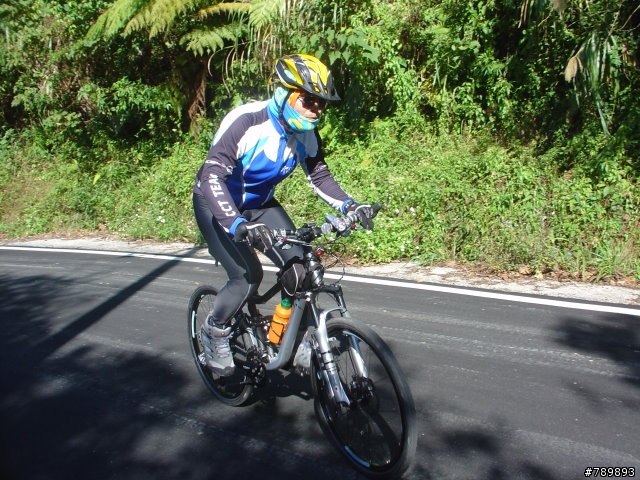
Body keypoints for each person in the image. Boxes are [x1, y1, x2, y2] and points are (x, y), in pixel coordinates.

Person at [192, 54, 375, 375]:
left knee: (301, 271)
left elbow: (319, 176)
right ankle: (214, 329)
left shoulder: (306, 133)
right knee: (247, 277)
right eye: (309, 101)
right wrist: (236, 224)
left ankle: (286, 336)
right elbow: (212, 176)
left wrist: (350, 205)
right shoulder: (247, 121)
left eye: (322, 104)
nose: (316, 110)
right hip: (216, 205)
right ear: (284, 92)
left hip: (260, 205)